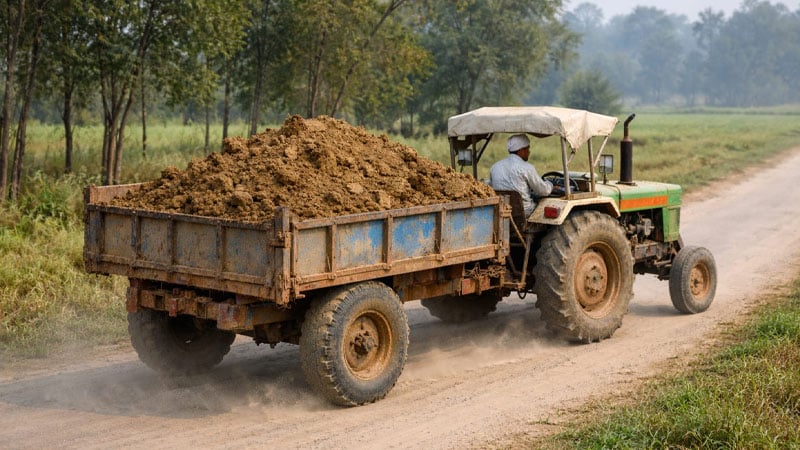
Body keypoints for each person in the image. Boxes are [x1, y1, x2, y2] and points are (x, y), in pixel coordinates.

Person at [488, 134, 553, 217]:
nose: (529, 152)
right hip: (524, 212)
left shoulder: (495, 167)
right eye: (527, 148)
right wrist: (550, 185)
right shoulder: (527, 168)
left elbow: (491, 186)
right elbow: (543, 191)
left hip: (502, 210)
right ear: (521, 150)